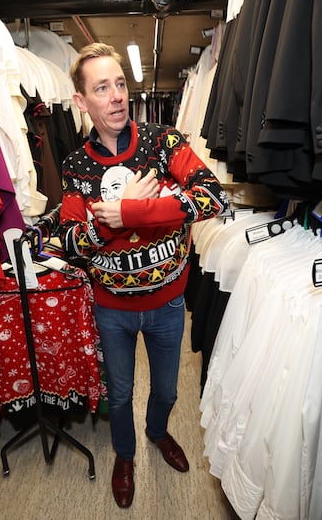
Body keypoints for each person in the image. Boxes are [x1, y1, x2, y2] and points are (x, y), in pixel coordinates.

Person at [59, 43, 229, 508]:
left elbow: (215, 198)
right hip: (111, 309)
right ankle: (125, 454)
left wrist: (135, 210)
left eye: (120, 84)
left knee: (168, 389)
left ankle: (157, 432)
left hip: (168, 304)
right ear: (81, 102)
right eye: (101, 88)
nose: (116, 96)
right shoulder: (76, 168)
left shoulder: (163, 142)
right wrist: (104, 222)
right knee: (118, 394)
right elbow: (69, 243)